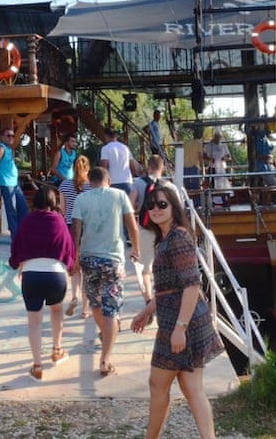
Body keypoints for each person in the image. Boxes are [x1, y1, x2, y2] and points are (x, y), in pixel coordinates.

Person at [130, 181, 224, 439]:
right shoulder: (166, 238)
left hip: (183, 322)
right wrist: (148, 310)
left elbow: (191, 285)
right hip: (178, 318)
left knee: (158, 383)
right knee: (192, 387)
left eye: (162, 204)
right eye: (151, 205)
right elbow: (169, 286)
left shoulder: (178, 238)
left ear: (174, 206)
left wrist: (180, 329)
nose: (156, 209)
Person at [71, 166, 141, 377]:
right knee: (111, 309)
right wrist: (136, 248)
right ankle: (105, 358)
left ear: (89, 181)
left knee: (95, 304)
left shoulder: (81, 199)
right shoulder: (119, 195)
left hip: (89, 258)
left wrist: (75, 256)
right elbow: (132, 225)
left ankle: (106, 332)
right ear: (108, 180)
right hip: (113, 259)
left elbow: (76, 230)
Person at [9, 185, 77, 380]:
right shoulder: (59, 221)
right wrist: (70, 266)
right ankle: (57, 349)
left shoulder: (27, 221)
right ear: (53, 202)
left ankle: (37, 365)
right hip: (56, 275)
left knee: (34, 321)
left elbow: (17, 247)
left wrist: (17, 263)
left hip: (31, 275)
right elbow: (69, 247)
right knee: (56, 311)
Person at [129, 155, 175, 310]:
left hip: (145, 228)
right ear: (162, 168)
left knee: (145, 268)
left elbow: (129, 205)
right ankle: (165, 298)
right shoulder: (169, 186)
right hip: (165, 229)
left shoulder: (138, 183)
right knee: (166, 265)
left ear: (148, 167)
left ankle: (148, 299)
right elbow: (178, 208)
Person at [58, 154, 91, 318]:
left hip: (70, 227)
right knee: (86, 269)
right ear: (88, 169)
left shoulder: (64, 185)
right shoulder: (91, 186)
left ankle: (74, 297)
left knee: (74, 267)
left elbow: (63, 211)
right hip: (87, 227)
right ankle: (85, 309)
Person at [0, 127, 29, 237]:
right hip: (6, 185)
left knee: (23, 208)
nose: (11, 137)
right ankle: (16, 238)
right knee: (11, 212)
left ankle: (21, 234)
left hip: (14, 185)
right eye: (8, 135)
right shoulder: (1, 148)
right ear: (2, 137)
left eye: (13, 135)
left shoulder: (8, 149)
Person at [100, 126, 141, 195]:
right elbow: (132, 166)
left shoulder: (105, 148)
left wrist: (104, 182)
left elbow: (104, 167)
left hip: (113, 182)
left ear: (106, 136)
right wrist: (132, 177)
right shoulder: (125, 148)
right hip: (127, 181)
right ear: (116, 136)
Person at [202, 131, 232, 206]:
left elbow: (229, 156)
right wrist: (210, 159)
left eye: (219, 137)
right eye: (216, 137)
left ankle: (224, 201)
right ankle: (214, 202)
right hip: (213, 167)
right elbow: (204, 156)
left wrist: (224, 158)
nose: (218, 139)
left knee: (223, 184)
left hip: (222, 168)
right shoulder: (210, 145)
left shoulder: (223, 145)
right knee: (213, 185)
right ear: (214, 137)